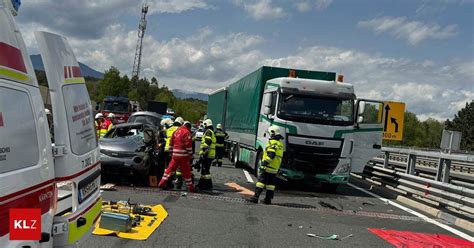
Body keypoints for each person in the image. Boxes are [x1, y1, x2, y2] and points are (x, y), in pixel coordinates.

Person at [248, 125, 284, 205]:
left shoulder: (272, 143)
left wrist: (264, 163)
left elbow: (271, 155)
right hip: (275, 168)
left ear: (273, 133)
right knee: (270, 184)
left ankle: (255, 197)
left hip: (268, 166)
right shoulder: (280, 143)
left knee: (261, 182)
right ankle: (268, 200)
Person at [158, 121, 195, 192]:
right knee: (187, 172)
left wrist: (171, 152)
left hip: (175, 155)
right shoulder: (187, 133)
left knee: (169, 170)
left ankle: (161, 183)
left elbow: (171, 143)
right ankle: (191, 187)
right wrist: (191, 155)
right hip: (183, 156)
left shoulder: (176, 132)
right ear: (189, 127)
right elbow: (188, 146)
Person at [197, 119, 216, 190]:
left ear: (206, 125)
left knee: (206, 170)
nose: (204, 127)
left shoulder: (208, 132)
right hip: (209, 154)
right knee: (204, 170)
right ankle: (201, 185)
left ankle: (208, 186)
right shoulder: (211, 131)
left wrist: (204, 154)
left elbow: (208, 142)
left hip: (207, 154)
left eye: (204, 125)